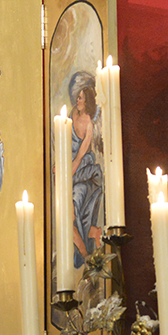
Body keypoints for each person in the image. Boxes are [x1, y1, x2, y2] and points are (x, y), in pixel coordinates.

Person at [69, 77, 103, 267]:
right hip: (69, 162)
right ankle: (85, 251)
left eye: (81, 98)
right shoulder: (72, 113)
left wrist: (70, 169)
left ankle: (85, 252)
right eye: (78, 97)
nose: (78, 100)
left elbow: (82, 153)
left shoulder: (89, 123)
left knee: (73, 210)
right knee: (70, 214)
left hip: (82, 166)